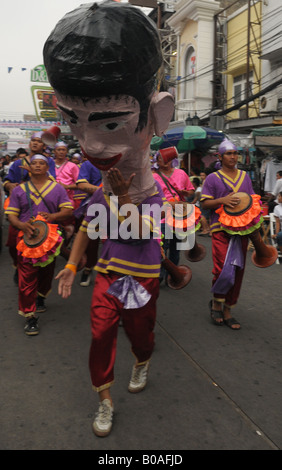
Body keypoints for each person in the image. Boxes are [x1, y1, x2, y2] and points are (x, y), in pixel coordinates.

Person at [44, 0, 174, 437]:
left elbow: (143, 235)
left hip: (142, 276)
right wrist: (70, 263)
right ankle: (104, 400)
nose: (88, 145)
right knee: (100, 335)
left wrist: (125, 203)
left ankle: (142, 359)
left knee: (141, 334)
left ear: (156, 115)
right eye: (73, 124)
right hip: (107, 273)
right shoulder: (104, 187)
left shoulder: (162, 195)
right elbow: (86, 226)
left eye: (111, 124)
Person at [5, 154, 73, 335]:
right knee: (26, 276)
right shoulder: (20, 190)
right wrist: (20, 224)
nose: (36, 166)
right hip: (26, 239)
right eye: (33, 163)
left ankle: (41, 296)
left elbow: (67, 210)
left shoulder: (57, 189)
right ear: (28, 167)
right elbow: (11, 214)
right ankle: (30, 315)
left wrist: (54, 217)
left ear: (47, 167)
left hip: (50, 239)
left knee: (46, 272)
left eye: (41, 163)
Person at [201, 139, 257, 330]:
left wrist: (254, 230)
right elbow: (204, 204)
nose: (233, 157)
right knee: (222, 269)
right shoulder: (212, 179)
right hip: (220, 229)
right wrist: (222, 200)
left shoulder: (245, 177)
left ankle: (228, 309)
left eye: (235, 153)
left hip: (242, 230)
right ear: (220, 156)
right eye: (229, 153)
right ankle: (217, 302)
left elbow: (251, 203)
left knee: (238, 271)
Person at [3, 132, 56, 283]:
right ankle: (17, 264)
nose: (35, 143)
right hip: (20, 204)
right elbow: (6, 181)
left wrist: (35, 172)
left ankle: (38, 275)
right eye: (33, 141)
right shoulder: (17, 163)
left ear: (43, 145)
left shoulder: (49, 162)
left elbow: (54, 180)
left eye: (39, 141)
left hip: (42, 204)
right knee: (14, 242)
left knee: (44, 240)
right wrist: (9, 185)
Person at [152, 150, 194, 282]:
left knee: (176, 247)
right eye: (160, 158)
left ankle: (173, 274)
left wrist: (185, 192)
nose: (163, 160)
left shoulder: (181, 173)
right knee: (162, 246)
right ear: (157, 161)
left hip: (179, 216)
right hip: (162, 215)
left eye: (166, 158)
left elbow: (191, 191)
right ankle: (160, 274)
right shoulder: (153, 176)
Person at [75, 159, 102, 286]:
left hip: (120, 205)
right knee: (91, 242)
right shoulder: (88, 164)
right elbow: (81, 184)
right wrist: (106, 192)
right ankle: (88, 268)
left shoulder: (124, 161)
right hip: (95, 205)